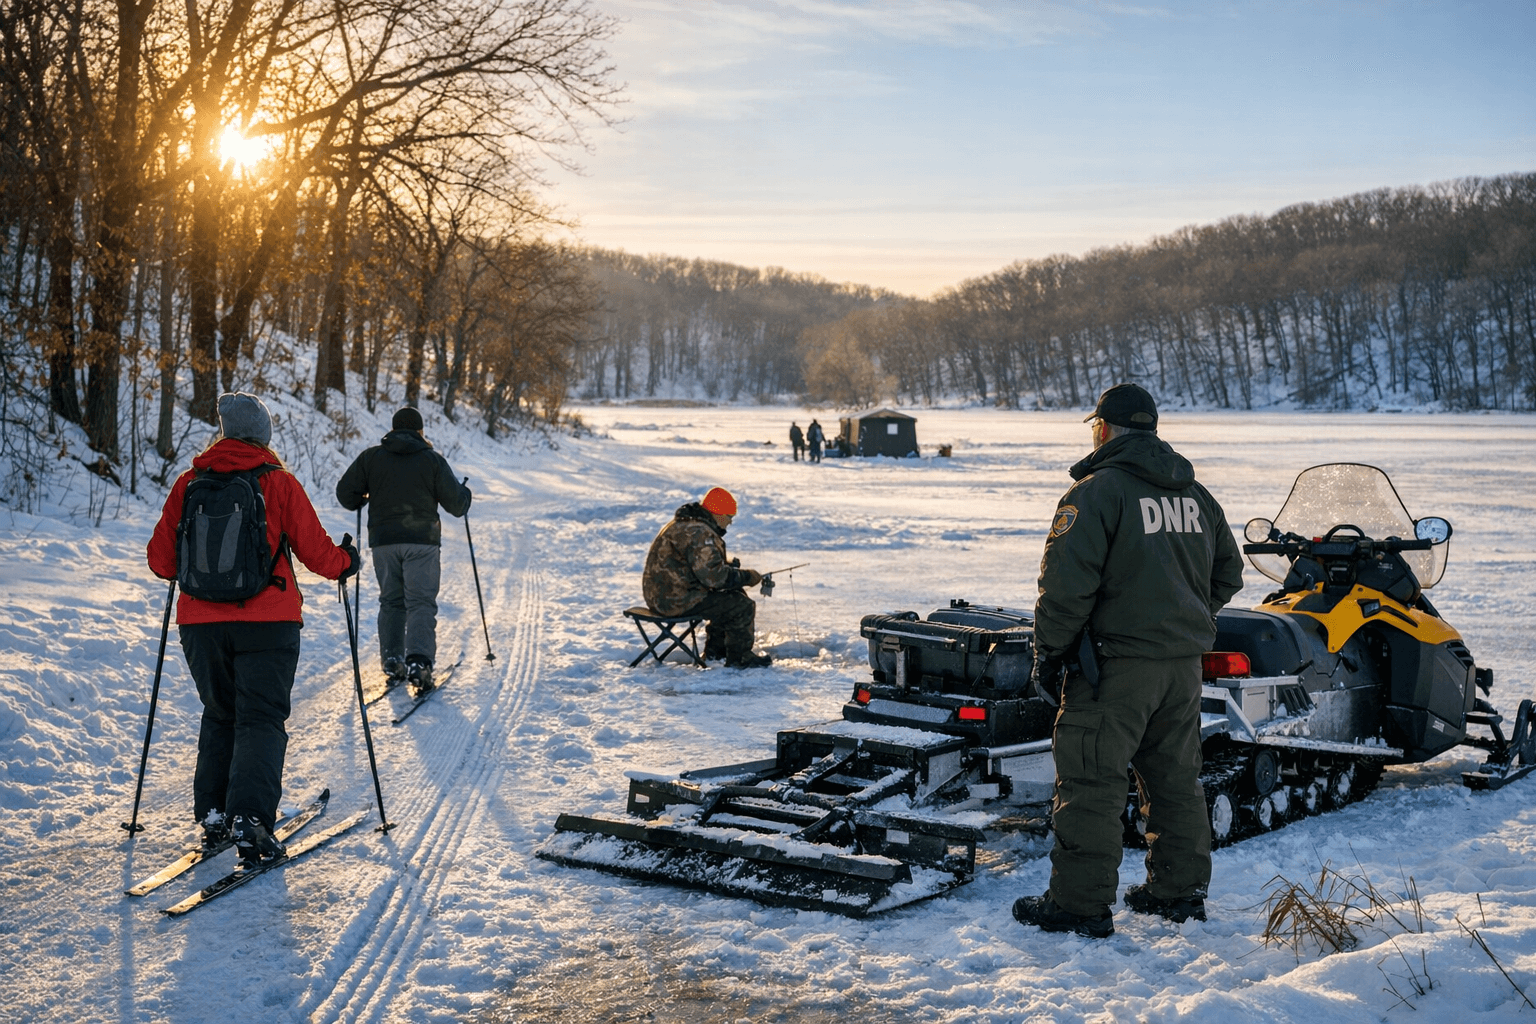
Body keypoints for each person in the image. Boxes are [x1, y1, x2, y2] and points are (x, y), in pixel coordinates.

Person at [1012, 383, 1244, 938]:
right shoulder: (1197, 496)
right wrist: (1184, 620)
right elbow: (1228, 575)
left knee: (1092, 781)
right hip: (1182, 667)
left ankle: (1079, 905)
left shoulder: (1096, 493)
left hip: (1113, 667)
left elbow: (1065, 590)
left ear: (1103, 429)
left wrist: (1051, 653)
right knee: (1175, 781)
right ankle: (1177, 892)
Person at [147, 393, 360, 865]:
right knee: (260, 719)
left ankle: (215, 814)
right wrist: (348, 562)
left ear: (223, 433)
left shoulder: (188, 483)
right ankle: (251, 819)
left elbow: (160, 562)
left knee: (220, 713)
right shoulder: (279, 483)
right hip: (269, 622)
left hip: (201, 625)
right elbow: (318, 554)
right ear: (263, 436)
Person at [335, 407, 472, 696]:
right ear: (421, 431)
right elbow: (457, 506)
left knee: (392, 601)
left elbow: (345, 493)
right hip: (422, 543)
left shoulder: (372, 457)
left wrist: (364, 497)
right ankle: (419, 664)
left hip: (383, 541)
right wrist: (464, 493)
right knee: (420, 602)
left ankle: (393, 660)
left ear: (393, 430)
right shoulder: (432, 460)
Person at [642, 486, 771, 668]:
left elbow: (696, 566)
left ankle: (715, 652)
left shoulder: (684, 525)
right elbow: (715, 579)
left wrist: (726, 565)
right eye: (729, 517)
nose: (730, 523)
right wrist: (747, 576)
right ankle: (739, 658)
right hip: (675, 601)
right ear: (718, 514)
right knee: (741, 605)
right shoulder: (700, 533)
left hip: (661, 596)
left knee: (727, 597)